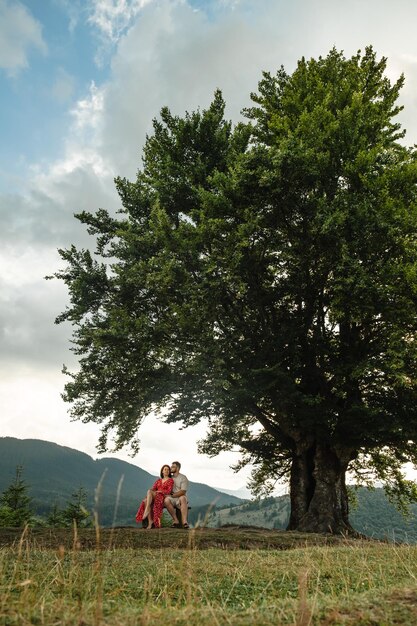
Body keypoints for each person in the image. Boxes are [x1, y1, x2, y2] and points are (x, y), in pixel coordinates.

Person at [135, 464, 174, 529]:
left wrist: (160, 491)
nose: (166, 471)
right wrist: (152, 491)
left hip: (162, 496)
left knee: (148, 497)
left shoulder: (170, 480)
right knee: (147, 499)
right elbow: (153, 488)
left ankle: (147, 510)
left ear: (169, 472)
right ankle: (150, 522)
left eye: (168, 470)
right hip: (155, 495)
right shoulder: (158, 480)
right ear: (162, 471)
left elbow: (169, 491)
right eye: (165, 469)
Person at [164, 461, 189, 528]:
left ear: (177, 468)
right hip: (171, 498)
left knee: (183, 498)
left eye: (173, 467)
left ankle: (185, 522)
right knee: (166, 500)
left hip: (180, 497)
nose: (171, 468)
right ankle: (176, 520)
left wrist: (173, 495)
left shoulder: (183, 477)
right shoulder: (169, 478)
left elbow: (183, 491)